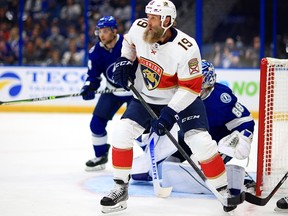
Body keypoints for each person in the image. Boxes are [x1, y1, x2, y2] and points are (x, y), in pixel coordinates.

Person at [100, 0, 241, 213]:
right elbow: (129, 43)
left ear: (167, 21)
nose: (149, 22)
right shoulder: (139, 28)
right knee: (121, 132)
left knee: (201, 143)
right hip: (146, 97)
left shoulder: (187, 47)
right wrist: (125, 61)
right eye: (148, 16)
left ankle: (223, 190)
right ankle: (120, 188)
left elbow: (191, 88)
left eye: (154, 18)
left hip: (182, 100)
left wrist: (169, 112)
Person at [80, 15, 133, 171]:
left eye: (105, 31)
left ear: (114, 31)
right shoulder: (96, 51)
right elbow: (93, 75)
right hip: (112, 91)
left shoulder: (128, 43)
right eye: (99, 31)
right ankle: (101, 155)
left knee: (140, 127)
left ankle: (152, 159)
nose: (101, 35)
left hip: (133, 92)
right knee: (96, 124)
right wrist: (89, 87)